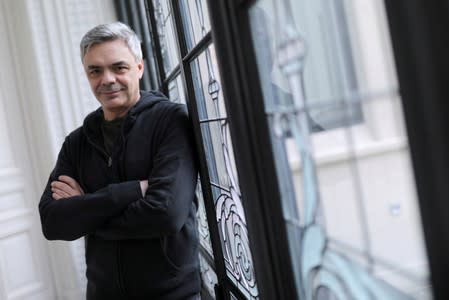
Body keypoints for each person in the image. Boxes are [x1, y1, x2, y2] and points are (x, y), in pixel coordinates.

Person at [38, 22, 200, 300]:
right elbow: (52, 222)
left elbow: (166, 213)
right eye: (95, 71)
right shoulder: (76, 142)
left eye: (119, 67)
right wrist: (132, 191)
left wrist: (86, 210)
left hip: (171, 294)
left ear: (139, 67)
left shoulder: (171, 121)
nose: (107, 79)